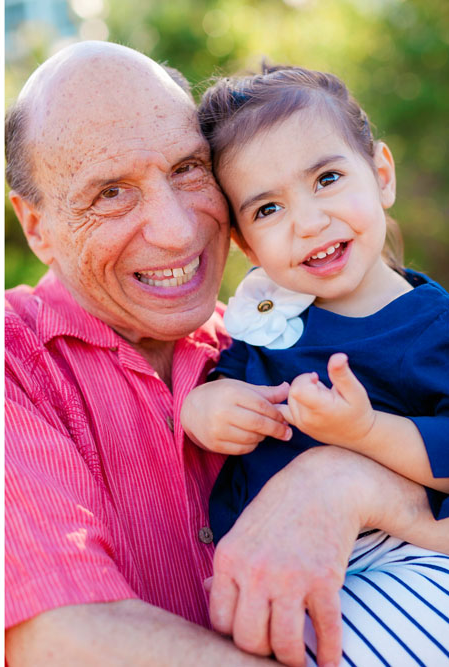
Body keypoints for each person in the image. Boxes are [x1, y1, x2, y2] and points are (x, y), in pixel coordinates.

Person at [4, 40, 448, 667]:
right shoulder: (7, 362)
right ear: (37, 226)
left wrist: (348, 481)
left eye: (188, 168)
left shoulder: (263, 336)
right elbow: (60, 640)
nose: (179, 230)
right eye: (111, 193)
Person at [179, 64, 449, 666]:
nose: (307, 221)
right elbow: (231, 373)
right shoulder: (269, 317)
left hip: (402, 558)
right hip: (273, 571)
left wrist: (365, 433)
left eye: (327, 178)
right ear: (247, 246)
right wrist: (208, 406)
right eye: (268, 209)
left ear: (381, 175)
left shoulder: (432, 328)